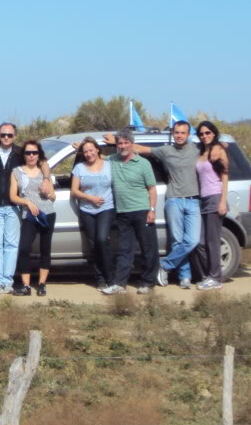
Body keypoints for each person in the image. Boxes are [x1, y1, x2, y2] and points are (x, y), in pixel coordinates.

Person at [104, 120, 200, 289]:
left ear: (189, 134)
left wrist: (219, 144)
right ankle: (184, 277)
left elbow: (152, 187)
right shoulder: (165, 150)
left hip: (189, 200)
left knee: (191, 241)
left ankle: (162, 267)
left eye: (182, 133)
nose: (179, 135)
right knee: (177, 242)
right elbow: (98, 160)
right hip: (171, 199)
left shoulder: (197, 150)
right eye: (176, 132)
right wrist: (117, 143)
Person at [0, 123, 52, 294]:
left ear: (15, 136)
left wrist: (46, 179)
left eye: (10, 135)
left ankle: (8, 281)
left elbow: (43, 162)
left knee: (12, 244)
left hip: (15, 206)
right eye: (3, 134)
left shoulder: (21, 152)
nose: (6, 137)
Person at [100, 128, 159, 295]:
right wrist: (82, 147)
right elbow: (96, 158)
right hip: (122, 212)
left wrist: (152, 210)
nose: (123, 146)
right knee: (124, 249)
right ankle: (120, 284)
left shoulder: (143, 164)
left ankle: (147, 282)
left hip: (142, 210)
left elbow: (152, 189)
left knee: (148, 247)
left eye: (126, 142)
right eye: (119, 143)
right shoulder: (112, 160)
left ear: (132, 144)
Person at [10, 140, 56, 296]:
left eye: (34, 152)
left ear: (39, 155)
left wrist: (47, 193)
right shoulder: (17, 172)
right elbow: (13, 196)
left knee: (45, 249)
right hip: (29, 215)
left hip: (47, 214)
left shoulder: (45, 174)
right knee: (24, 248)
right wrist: (27, 202)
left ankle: (42, 284)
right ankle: (26, 285)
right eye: (28, 153)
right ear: (24, 155)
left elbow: (53, 196)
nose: (31, 156)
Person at [71, 137, 114, 291]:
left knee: (102, 239)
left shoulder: (109, 165)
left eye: (91, 150)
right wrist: (90, 198)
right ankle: (100, 278)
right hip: (87, 210)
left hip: (106, 208)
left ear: (97, 150)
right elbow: (74, 190)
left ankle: (110, 276)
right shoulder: (79, 168)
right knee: (94, 244)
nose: (88, 154)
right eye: (85, 151)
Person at [193, 121, 229, 290]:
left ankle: (216, 278)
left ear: (214, 133)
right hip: (203, 199)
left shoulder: (219, 150)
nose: (204, 136)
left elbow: (225, 176)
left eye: (207, 133)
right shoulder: (202, 152)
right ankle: (210, 275)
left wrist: (222, 201)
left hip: (215, 197)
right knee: (200, 242)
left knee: (212, 241)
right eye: (201, 134)